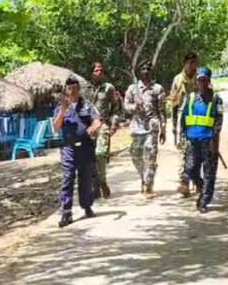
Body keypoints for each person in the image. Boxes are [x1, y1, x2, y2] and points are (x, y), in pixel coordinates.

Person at [52, 76, 102, 228]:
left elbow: (97, 120)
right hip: (68, 148)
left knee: (85, 178)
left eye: (75, 87)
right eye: (69, 88)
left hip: (85, 147)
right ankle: (66, 212)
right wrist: (62, 112)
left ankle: (86, 207)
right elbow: (55, 127)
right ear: (66, 90)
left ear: (79, 89)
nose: (72, 91)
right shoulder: (61, 107)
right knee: (68, 178)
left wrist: (94, 127)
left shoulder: (87, 106)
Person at [180, 67, 224, 213]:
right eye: (200, 80)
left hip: (209, 141)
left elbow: (218, 120)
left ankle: (204, 200)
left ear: (209, 81)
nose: (202, 83)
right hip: (193, 141)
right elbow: (184, 118)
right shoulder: (191, 98)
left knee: (209, 173)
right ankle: (200, 185)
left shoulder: (216, 99)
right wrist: (182, 136)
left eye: (205, 80)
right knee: (191, 169)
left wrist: (214, 139)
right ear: (196, 81)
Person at [125, 60, 167, 198]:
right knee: (135, 155)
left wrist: (163, 129)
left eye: (148, 69)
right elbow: (126, 106)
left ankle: (148, 186)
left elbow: (162, 111)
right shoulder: (132, 89)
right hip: (137, 127)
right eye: (143, 69)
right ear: (139, 71)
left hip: (151, 126)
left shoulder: (157, 89)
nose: (145, 71)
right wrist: (135, 107)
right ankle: (144, 177)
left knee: (150, 155)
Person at [168, 52, 199, 197]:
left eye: (194, 62)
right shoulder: (178, 80)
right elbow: (174, 102)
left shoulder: (200, 78)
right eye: (190, 62)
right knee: (183, 150)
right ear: (185, 64)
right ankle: (184, 182)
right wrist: (174, 125)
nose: (192, 65)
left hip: (198, 117)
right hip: (183, 117)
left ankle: (197, 181)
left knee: (197, 150)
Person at [89, 62, 121, 199]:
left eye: (101, 71)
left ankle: (102, 181)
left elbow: (116, 108)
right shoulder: (85, 88)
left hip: (103, 124)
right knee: (89, 157)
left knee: (101, 153)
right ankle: (94, 185)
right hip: (88, 126)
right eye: (96, 71)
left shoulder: (108, 88)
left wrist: (114, 124)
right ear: (91, 73)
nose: (99, 73)